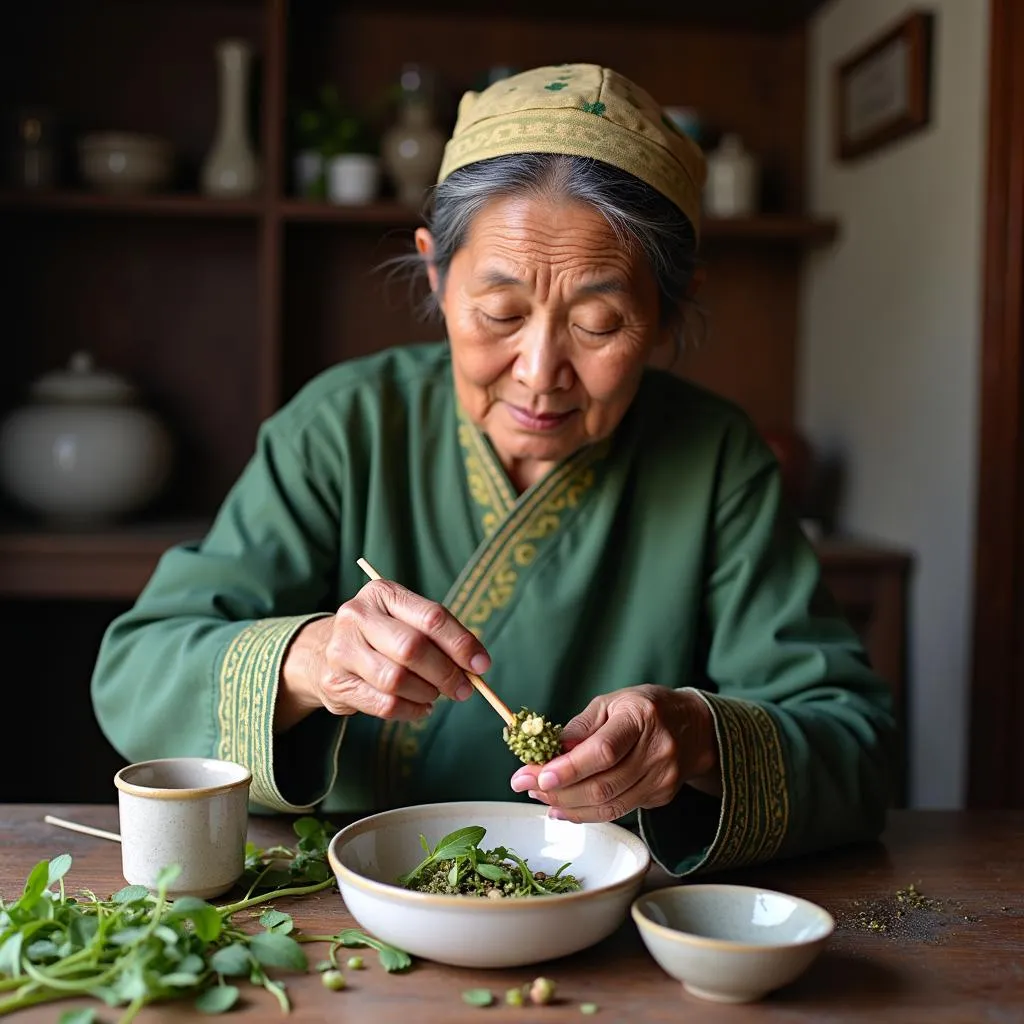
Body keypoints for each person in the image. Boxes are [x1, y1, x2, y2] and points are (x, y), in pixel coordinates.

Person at [91, 63, 897, 878]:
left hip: (611, 915)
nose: (540, 370)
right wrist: (311, 660)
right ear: (437, 272)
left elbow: (857, 748)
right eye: (501, 314)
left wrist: (692, 738)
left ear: (666, 313)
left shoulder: (716, 458)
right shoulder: (345, 425)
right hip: (347, 903)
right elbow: (137, 674)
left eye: (599, 322)